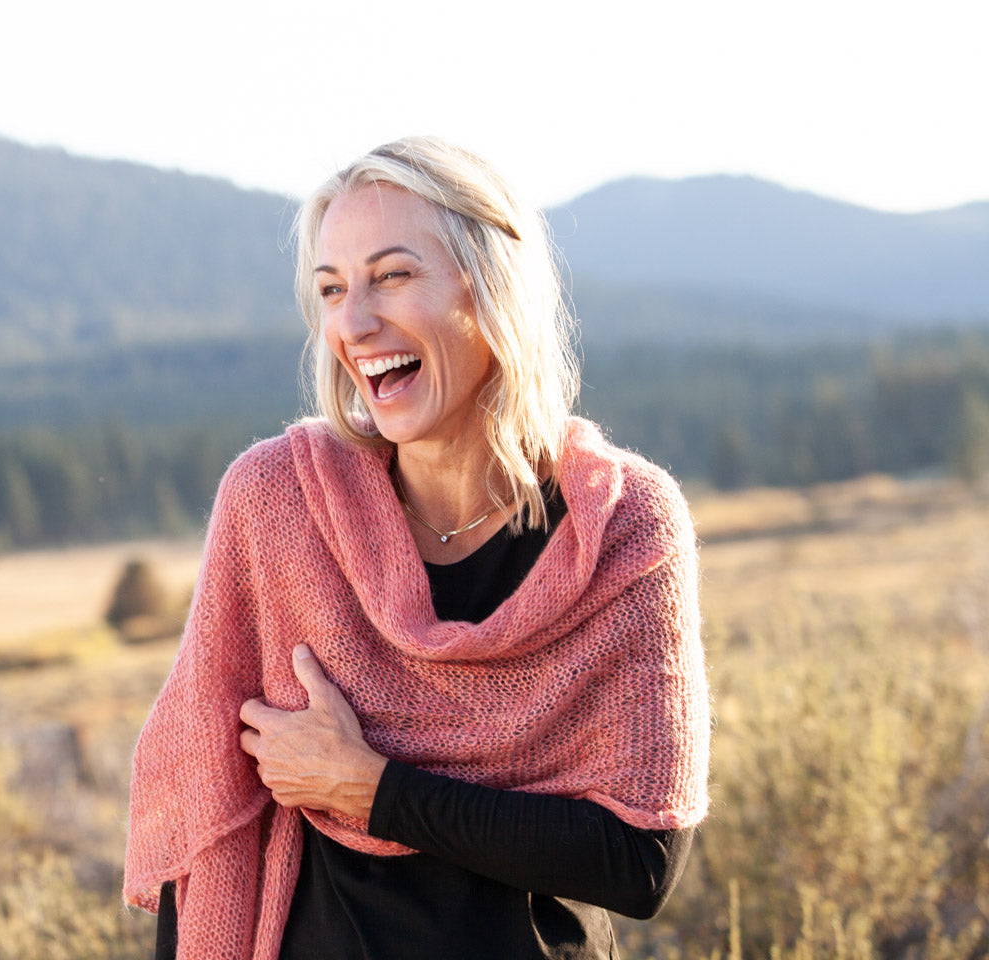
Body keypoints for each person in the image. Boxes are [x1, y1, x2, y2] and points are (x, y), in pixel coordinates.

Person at [124, 136, 711, 960]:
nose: (355, 322)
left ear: (488, 291)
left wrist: (374, 790)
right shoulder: (278, 504)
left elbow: (639, 863)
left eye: (392, 276)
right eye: (331, 289)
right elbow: (207, 804)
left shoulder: (621, 526)